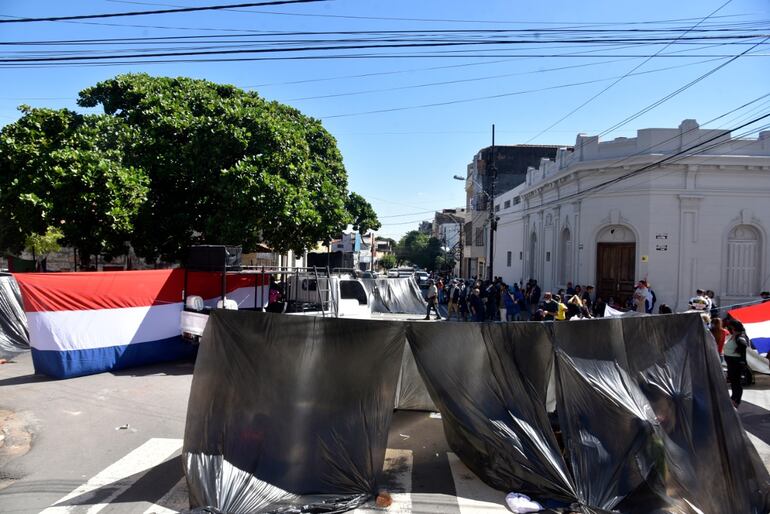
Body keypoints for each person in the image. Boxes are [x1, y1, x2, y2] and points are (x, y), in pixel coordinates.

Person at [724, 319, 751, 407]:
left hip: (736, 363)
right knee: (733, 381)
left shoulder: (740, 336)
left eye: (730, 326)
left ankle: (737, 400)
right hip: (731, 363)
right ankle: (733, 398)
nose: (728, 328)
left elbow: (743, 345)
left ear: (733, 327)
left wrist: (738, 351)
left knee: (736, 382)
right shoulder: (734, 335)